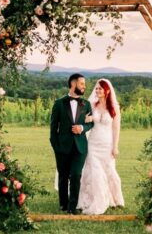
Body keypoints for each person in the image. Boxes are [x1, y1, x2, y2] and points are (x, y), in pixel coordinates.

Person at [76, 78, 124, 215]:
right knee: (94, 171)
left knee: (108, 170)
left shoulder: (114, 107)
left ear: (107, 91)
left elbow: (116, 128)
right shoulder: (91, 105)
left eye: (100, 89)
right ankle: (93, 199)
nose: (97, 91)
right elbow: (84, 120)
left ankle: (112, 198)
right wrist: (88, 119)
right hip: (93, 143)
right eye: (96, 88)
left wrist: (115, 146)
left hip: (107, 143)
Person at [49, 73, 94, 214]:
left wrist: (82, 128)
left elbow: (91, 122)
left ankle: (72, 207)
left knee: (75, 175)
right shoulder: (59, 103)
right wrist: (56, 146)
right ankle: (63, 204)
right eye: (82, 84)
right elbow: (53, 127)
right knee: (63, 176)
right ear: (73, 84)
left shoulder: (86, 104)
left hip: (80, 147)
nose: (84, 87)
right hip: (62, 147)